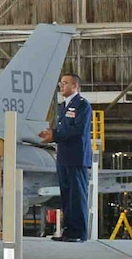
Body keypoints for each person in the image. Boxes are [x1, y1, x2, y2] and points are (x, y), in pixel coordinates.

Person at [39, 73, 93, 242]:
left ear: (75, 86)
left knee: (78, 195)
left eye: (65, 83)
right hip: (64, 156)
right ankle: (69, 230)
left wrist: (54, 134)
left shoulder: (82, 105)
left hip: (77, 157)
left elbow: (78, 130)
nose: (61, 86)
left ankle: (79, 233)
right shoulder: (63, 106)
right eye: (61, 83)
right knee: (67, 195)